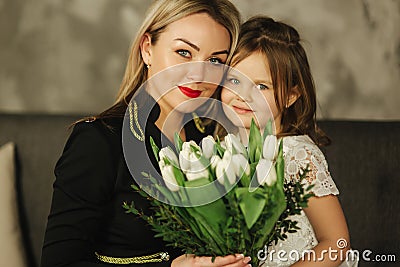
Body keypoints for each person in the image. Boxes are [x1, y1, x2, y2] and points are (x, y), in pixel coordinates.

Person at [41, 1, 252, 266]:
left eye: (214, 61)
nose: (198, 75)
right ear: (147, 49)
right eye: (184, 52)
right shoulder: (99, 141)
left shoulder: (213, 137)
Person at [220, 16, 359, 267]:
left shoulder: (297, 156)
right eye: (234, 80)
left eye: (262, 87)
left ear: (290, 96)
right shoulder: (223, 149)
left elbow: (337, 243)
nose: (243, 95)